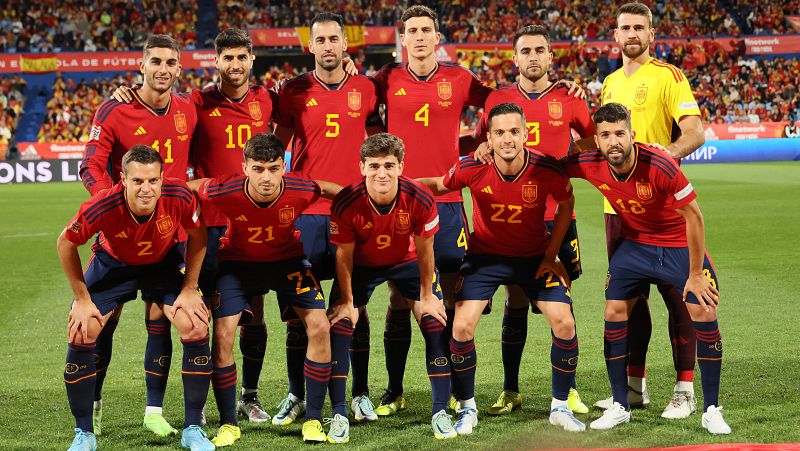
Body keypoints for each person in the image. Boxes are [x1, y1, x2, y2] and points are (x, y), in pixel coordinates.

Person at [111, 28, 279, 431]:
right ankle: (197, 405)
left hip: (251, 222)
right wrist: (128, 94)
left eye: (242, 57)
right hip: (204, 225)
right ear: (215, 61)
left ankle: (250, 398)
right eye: (227, 58)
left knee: (253, 314)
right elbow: (160, 113)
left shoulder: (268, 99)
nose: (235, 65)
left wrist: (347, 63)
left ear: (252, 59)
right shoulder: (196, 103)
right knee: (199, 314)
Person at [564, 103, 730, 435]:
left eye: (620, 134)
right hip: (635, 245)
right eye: (606, 135)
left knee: (704, 310)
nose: (614, 142)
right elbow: (544, 165)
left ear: (633, 135)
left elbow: (694, 217)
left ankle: (711, 409)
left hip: (677, 244)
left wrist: (696, 274)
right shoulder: (589, 163)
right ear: (596, 140)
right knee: (614, 310)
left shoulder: (659, 164)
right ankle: (621, 405)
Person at [419, 103, 584, 435]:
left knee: (564, 322)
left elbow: (567, 204)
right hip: (485, 258)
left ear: (525, 134)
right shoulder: (472, 167)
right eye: (499, 133)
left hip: (534, 257)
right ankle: (467, 408)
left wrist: (552, 254)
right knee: (462, 326)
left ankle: (560, 406)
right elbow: (437, 185)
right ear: (489, 138)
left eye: (513, 131)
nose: (507, 139)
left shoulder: (546, 169)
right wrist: (397, 184)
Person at [369, 4, 493, 416]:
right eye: (412, 31)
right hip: (401, 204)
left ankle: (459, 390)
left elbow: (500, 103)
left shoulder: (459, 78)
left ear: (436, 38)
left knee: (455, 300)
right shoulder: (386, 80)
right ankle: (395, 389)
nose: (419, 37)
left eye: (426, 30)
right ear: (402, 39)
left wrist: (477, 146)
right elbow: (363, 118)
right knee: (400, 298)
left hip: (450, 203)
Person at [79, 34, 198, 437]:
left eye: (170, 63)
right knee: (101, 323)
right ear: (141, 66)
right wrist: (111, 208)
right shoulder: (114, 109)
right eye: (156, 62)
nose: (163, 69)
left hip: (171, 237)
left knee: (164, 321)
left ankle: (154, 411)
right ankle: (92, 410)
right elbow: (91, 165)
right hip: (119, 238)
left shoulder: (188, 108)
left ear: (179, 69)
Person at [472, 24, 594, 416]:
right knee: (516, 297)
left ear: (550, 56)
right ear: (515, 58)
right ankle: (510, 389)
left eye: (540, 50)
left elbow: (590, 143)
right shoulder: (497, 99)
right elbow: (481, 145)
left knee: (562, 299)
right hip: (510, 218)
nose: (533, 58)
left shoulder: (569, 98)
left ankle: (569, 389)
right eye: (526, 51)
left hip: (555, 213)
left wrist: (563, 169)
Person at [189, 133, 342, 444]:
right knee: (222, 334)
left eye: (273, 168)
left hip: (288, 263)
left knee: (320, 326)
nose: (267, 178)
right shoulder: (226, 187)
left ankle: (313, 419)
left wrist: (359, 203)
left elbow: (330, 189)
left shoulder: (299, 187)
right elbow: (192, 187)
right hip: (237, 265)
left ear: (283, 167)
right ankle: (229, 424)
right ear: (244, 167)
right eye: (258, 169)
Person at [59, 145, 214, 451]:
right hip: (113, 266)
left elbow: (198, 236)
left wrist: (189, 288)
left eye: (153, 181)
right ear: (123, 179)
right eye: (138, 181)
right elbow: (66, 242)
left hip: (163, 265)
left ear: (162, 178)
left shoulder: (180, 195)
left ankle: (193, 429)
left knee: (195, 324)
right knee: (83, 328)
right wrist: (81, 298)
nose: (146, 189)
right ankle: (84, 434)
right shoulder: (101, 205)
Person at [595, 2, 706, 419]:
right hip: (616, 209)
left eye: (639, 27)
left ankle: (684, 389)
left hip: (662, 208)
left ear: (651, 34)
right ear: (616, 34)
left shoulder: (669, 76)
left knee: (679, 299)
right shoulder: (607, 82)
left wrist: (668, 154)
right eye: (625, 27)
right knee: (628, 300)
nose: (632, 34)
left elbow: (694, 131)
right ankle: (634, 387)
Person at [272, 11, 381, 426]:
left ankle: (361, 394)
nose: (329, 46)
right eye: (322, 40)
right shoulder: (293, 91)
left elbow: (377, 143)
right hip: (305, 215)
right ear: (311, 46)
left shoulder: (366, 89)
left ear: (344, 44)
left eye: (335, 39)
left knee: (355, 308)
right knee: (301, 310)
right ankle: (297, 394)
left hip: (353, 214)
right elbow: (274, 148)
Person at [329, 133, 453, 441]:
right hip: (362, 264)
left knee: (434, 321)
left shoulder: (420, 197)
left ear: (400, 166)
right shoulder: (346, 201)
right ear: (362, 167)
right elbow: (343, 257)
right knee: (342, 322)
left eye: (388, 165)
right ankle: (344, 408)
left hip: (406, 260)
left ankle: (440, 411)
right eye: (374, 166)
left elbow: (426, 250)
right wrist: (347, 300)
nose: (381, 173)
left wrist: (427, 295)